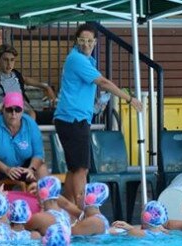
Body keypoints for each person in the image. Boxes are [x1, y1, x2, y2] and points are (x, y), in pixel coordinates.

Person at [53, 23, 143, 207]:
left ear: (95, 42)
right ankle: (82, 210)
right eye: (82, 40)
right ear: (76, 41)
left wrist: (96, 107)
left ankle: (65, 210)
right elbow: (103, 82)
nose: (86, 44)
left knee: (74, 169)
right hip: (73, 120)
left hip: (75, 119)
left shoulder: (87, 61)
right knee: (81, 169)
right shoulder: (77, 59)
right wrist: (129, 99)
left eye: (89, 41)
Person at [0, 92, 48, 193]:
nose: (13, 114)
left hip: (22, 165)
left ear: (22, 111)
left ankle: (46, 205)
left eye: (17, 110)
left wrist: (31, 169)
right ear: (2, 109)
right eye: (9, 109)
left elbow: (38, 154)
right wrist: (6, 169)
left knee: (42, 169)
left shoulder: (30, 123)